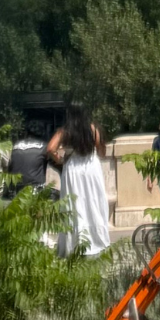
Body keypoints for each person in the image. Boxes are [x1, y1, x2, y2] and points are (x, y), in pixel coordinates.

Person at [52, 107, 110, 258]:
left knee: (74, 205)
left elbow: (50, 148)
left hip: (73, 169)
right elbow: (101, 150)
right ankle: (97, 241)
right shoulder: (93, 129)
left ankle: (74, 244)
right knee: (94, 202)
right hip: (91, 168)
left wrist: (60, 160)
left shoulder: (65, 131)